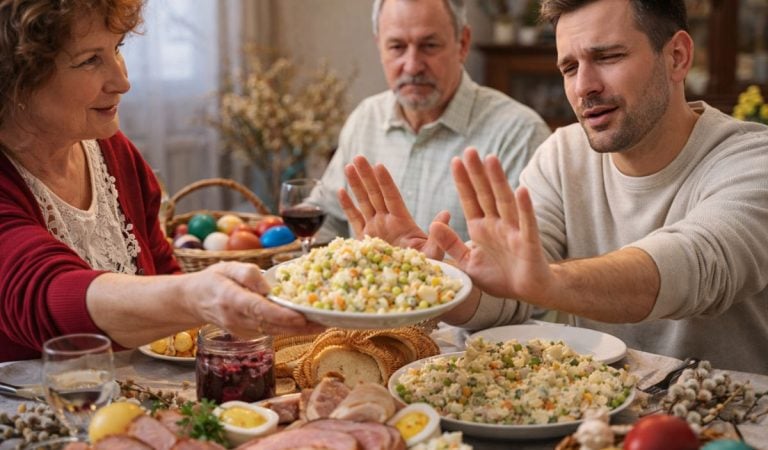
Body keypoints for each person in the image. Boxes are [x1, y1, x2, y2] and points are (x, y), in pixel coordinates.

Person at [341, 0, 768, 372]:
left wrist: (550, 282)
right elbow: (509, 295)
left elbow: (694, 266)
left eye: (609, 56)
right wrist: (428, 282)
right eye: (569, 67)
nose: (584, 86)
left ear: (676, 56)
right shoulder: (562, 154)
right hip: (599, 412)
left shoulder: (751, 158)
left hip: (735, 419)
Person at [0, 0, 322, 362]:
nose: (123, 81)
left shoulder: (113, 154)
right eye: (90, 60)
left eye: (117, 48)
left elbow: (163, 275)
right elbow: (46, 296)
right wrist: (194, 296)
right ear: (16, 78)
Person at [311, 0, 550, 242]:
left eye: (429, 45)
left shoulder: (519, 134)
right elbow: (328, 218)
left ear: (463, 43)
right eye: (396, 47)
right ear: (379, 47)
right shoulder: (365, 119)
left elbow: (527, 258)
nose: (413, 66)